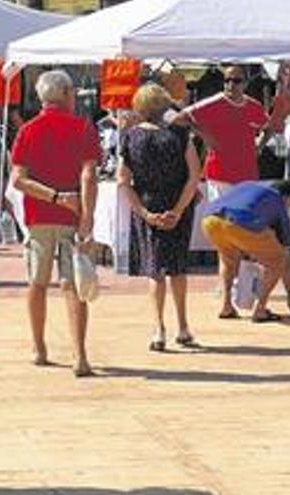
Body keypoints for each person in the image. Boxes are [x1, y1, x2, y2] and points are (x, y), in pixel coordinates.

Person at [10, 70, 99, 378]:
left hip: (38, 217)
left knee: (37, 282)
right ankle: (80, 354)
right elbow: (89, 175)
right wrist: (85, 214)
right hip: (71, 217)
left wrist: (52, 196)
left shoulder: (29, 130)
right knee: (73, 285)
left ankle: (39, 348)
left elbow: (18, 180)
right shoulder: (83, 128)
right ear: (66, 94)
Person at [117, 84, 201, 352]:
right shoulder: (180, 134)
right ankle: (183, 326)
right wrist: (177, 210)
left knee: (155, 270)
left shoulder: (131, 138)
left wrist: (143, 213)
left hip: (148, 205)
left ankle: (158, 329)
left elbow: (123, 180)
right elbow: (193, 177)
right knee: (177, 267)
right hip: (178, 205)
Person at [202, 180, 290, 323]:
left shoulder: (248, 186)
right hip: (240, 221)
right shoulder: (278, 200)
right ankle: (260, 309)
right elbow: (285, 254)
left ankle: (226, 306)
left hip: (210, 219)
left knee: (227, 259)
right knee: (278, 261)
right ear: (288, 197)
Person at [175, 66, 270, 200]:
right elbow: (178, 118)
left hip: (248, 175)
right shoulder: (213, 103)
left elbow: (269, 127)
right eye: (227, 80)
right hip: (219, 175)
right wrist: (204, 135)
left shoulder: (254, 106)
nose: (231, 85)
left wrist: (259, 146)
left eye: (236, 81)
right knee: (220, 218)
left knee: (243, 219)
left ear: (245, 83)